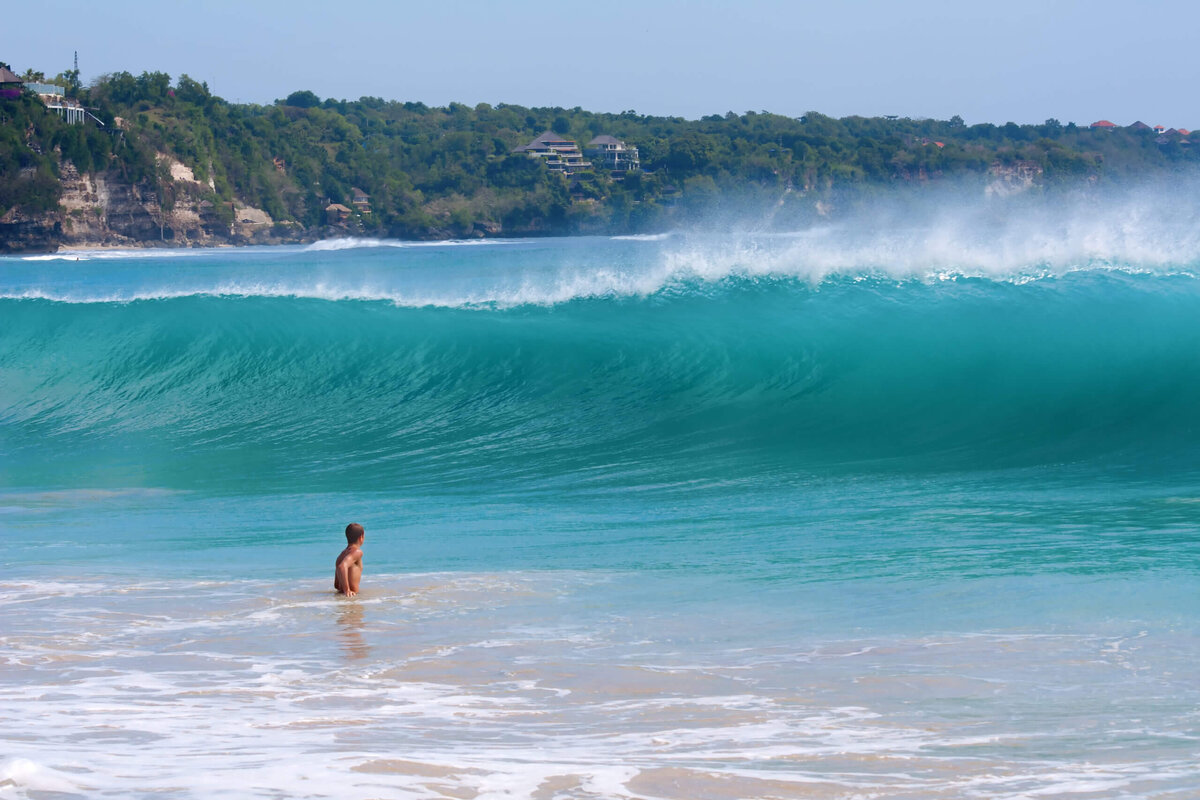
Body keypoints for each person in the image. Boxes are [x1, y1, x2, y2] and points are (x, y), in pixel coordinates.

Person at [334, 523, 365, 597]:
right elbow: (342, 566)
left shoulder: (341, 555)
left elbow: (336, 585)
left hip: (341, 597)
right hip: (351, 597)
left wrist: (344, 590)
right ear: (361, 537)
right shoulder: (357, 552)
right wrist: (347, 590)